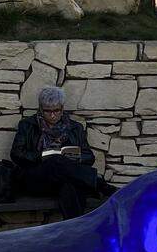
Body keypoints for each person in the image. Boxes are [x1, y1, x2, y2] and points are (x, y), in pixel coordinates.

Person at [10, 86, 115, 218]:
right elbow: (16, 154)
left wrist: (73, 159)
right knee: (54, 160)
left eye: (56, 111)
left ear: (62, 108)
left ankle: (73, 229)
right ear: (41, 109)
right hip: (37, 177)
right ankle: (98, 183)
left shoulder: (75, 128)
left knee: (69, 186)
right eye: (48, 111)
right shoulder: (27, 125)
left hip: (64, 178)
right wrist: (42, 156)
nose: (52, 115)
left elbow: (89, 157)